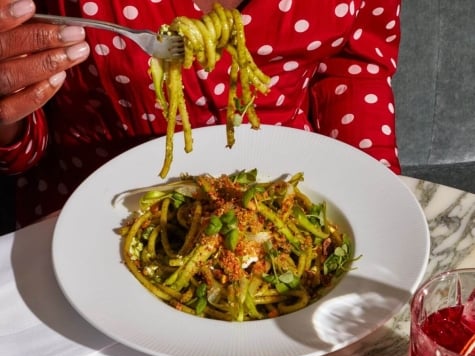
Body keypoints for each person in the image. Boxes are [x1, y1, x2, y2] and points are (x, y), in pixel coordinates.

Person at [0, 0, 401, 233]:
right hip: (94, 220)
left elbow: (354, 67)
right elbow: (22, 144)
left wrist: (376, 199)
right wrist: (8, 117)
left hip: (293, 209)